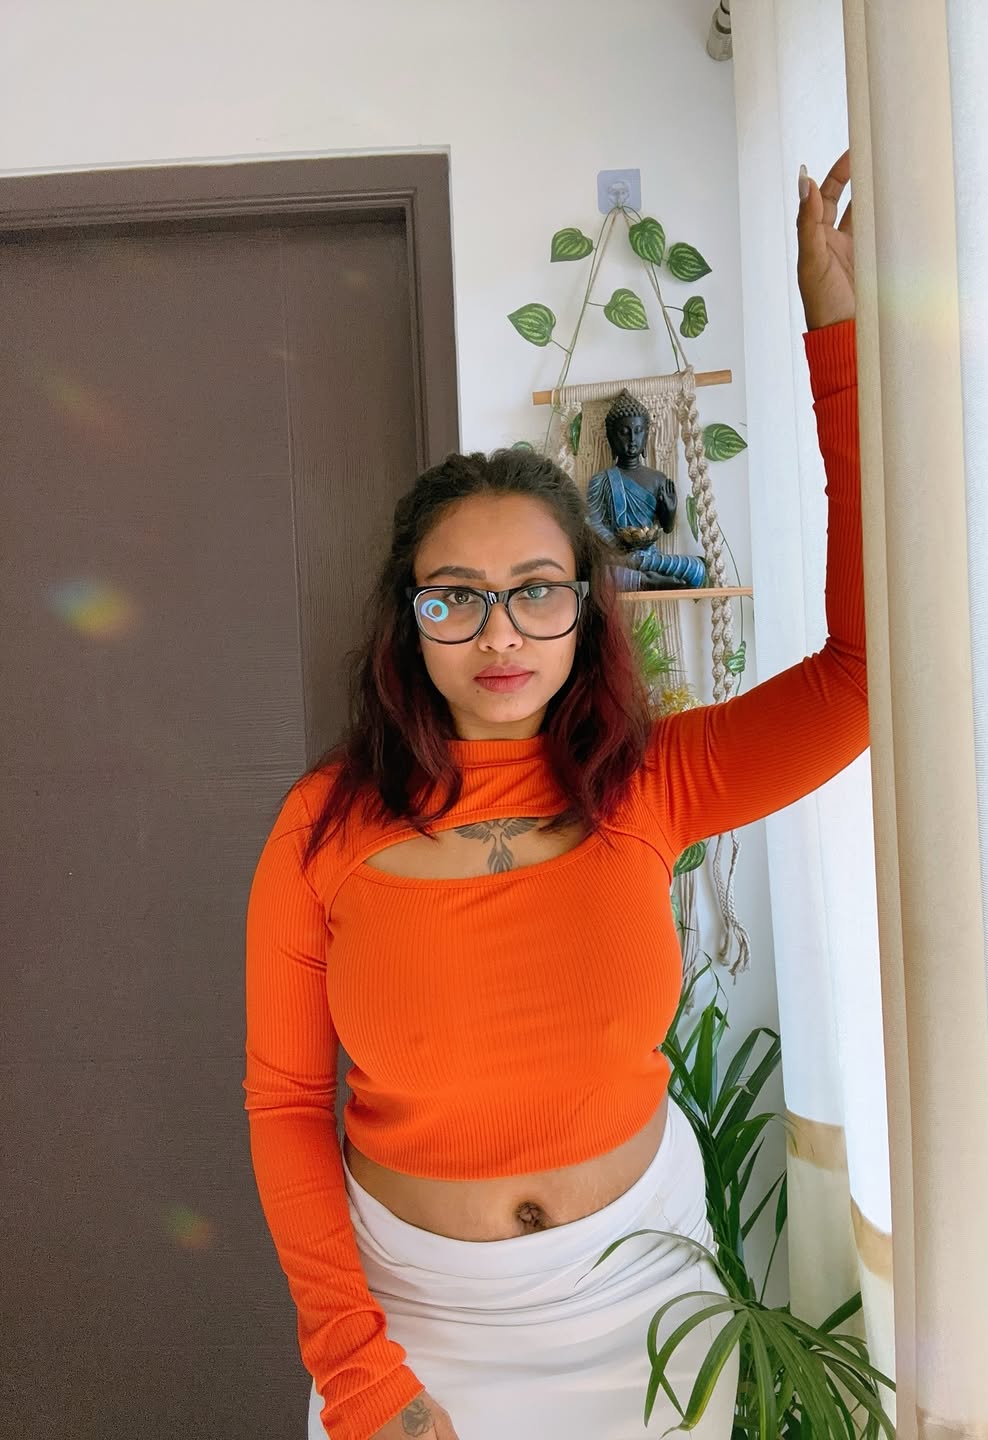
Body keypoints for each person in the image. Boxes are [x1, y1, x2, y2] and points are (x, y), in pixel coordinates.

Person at [244, 152, 861, 1440]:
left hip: (644, 1305)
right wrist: (359, 1371)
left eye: (536, 591)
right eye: (455, 598)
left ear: (586, 609)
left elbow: (865, 676)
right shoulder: (321, 828)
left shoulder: (654, 781)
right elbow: (289, 1106)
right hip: (416, 1322)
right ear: (407, 619)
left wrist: (840, 339)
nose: (499, 631)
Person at [586, 389, 708, 590]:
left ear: (646, 434)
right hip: (618, 557)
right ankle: (648, 581)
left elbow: (667, 528)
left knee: (697, 568)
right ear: (611, 438)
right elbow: (594, 523)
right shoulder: (601, 480)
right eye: (624, 432)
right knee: (595, 575)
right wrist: (618, 549)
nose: (632, 439)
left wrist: (669, 511)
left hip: (651, 557)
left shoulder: (658, 479)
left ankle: (644, 579)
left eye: (638, 431)